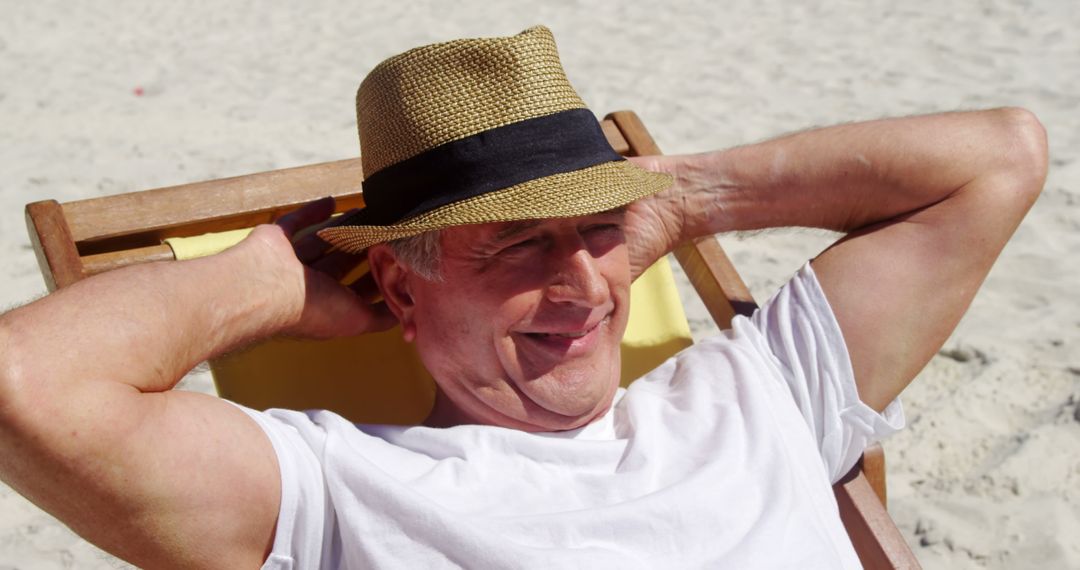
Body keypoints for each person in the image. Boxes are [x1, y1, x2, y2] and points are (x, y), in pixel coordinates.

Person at [0, 25, 1046, 569]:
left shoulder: (763, 395)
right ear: (401, 289)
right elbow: (24, 384)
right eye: (516, 248)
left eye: (600, 232)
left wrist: (686, 199)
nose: (586, 285)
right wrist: (268, 278)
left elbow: (1001, 157)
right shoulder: (336, 492)